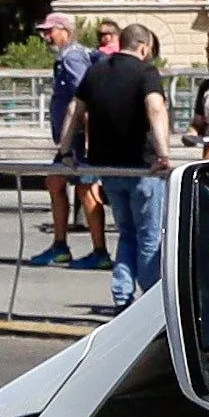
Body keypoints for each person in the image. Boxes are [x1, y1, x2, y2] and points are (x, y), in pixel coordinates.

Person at [70, 21, 177, 311]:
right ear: (143, 47)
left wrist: (65, 150)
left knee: (127, 232)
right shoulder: (146, 72)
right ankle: (155, 302)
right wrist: (164, 154)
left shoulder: (97, 70)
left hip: (110, 168)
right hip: (143, 167)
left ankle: (122, 294)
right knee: (150, 235)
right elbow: (155, 108)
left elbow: (74, 110)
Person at [35, 23, 110, 268]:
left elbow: (84, 96)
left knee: (87, 190)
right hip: (72, 137)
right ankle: (60, 246)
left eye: (50, 31)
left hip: (79, 138)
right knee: (55, 182)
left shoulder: (73, 57)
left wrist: (88, 138)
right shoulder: (67, 57)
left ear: (65, 31)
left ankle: (99, 251)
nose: (46, 36)